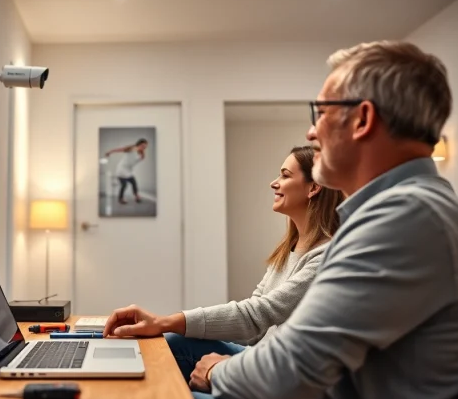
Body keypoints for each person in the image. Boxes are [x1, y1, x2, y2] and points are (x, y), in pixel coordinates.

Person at [168, 41, 458, 399]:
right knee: (170, 351)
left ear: (362, 119)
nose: (311, 132)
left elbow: (288, 374)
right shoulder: (408, 209)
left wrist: (220, 371)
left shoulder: (404, 218)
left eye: (320, 112)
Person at [103, 146, 344, 383]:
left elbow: (257, 315)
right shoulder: (287, 249)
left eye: (285, 175)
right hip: (258, 357)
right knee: (176, 343)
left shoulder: (323, 256)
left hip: (278, 377)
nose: (274, 182)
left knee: (176, 371)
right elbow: (255, 327)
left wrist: (165, 322)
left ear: (313, 187)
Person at [105, 138, 148, 204]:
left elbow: (142, 158)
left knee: (134, 183)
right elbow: (119, 149)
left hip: (129, 171)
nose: (143, 148)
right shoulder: (131, 149)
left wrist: (142, 151)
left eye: (145, 147)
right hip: (121, 169)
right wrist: (110, 152)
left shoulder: (140, 154)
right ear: (138, 144)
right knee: (124, 185)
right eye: (142, 146)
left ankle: (137, 197)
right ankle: (121, 199)